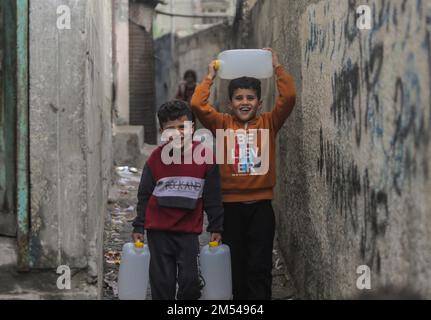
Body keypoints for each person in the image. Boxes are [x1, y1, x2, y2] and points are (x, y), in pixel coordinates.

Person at [190, 48, 297, 300]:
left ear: (260, 103)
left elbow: (289, 96)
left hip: (261, 208)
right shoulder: (222, 123)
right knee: (235, 267)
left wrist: (277, 67)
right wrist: (210, 77)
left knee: (259, 266)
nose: (245, 102)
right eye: (239, 98)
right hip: (230, 210)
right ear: (230, 103)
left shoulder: (269, 123)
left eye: (250, 98)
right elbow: (197, 104)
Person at [132, 100, 224, 300]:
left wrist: (216, 227)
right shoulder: (155, 159)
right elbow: (144, 195)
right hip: (159, 233)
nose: (178, 133)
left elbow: (213, 197)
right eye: (170, 128)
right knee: (161, 284)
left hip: (188, 233)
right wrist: (139, 226)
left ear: (193, 127)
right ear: (161, 131)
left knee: (190, 282)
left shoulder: (205, 158)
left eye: (183, 127)